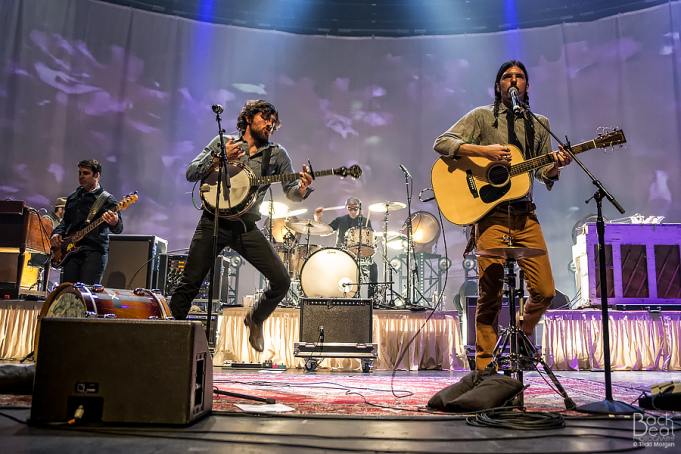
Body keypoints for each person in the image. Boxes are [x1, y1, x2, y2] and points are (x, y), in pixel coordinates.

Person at [433, 60, 572, 371]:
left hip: (525, 215)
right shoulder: (482, 117)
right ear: (498, 86)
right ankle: (484, 370)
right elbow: (442, 143)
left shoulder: (539, 122)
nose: (513, 81)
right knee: (490, 295)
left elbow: (542, 171)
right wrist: (485, 153)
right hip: (491, 216)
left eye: (519, 77)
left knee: (545, 290)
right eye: (507, 77)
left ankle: (519, 336)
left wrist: (557, 165)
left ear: (526, 86)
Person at [170, 100, 314, 352]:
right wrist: (219, 158)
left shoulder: (277, 154)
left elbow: (291, 193)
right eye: (264, 117)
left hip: (246, 227)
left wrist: (301, 189)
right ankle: (166, 339)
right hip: (212, 222)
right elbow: (192, 172)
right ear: (248, 118)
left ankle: (255, 318)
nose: (269, 123)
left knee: (281, 280)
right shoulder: (223, 143)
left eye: (273, 121)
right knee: (189, 283)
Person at [50, 159, 123, 285]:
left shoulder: (107, 200)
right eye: (79, 173)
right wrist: (56, 233)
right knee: (68, 292)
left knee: (87, 294)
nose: (81, 176)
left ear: (97, 175)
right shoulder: (73, 197)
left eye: (85, 173)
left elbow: (119, 228)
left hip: (94, 252)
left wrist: (114, 222)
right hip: (71, 253)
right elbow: (66, 222)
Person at [314, 197, 378, 299]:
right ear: (347, 208)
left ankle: (372, 298)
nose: (352, 211)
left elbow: (370, 239)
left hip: (359, 255)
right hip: (342, 254)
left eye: (355, 209)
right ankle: (331, 295)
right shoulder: (340, 220)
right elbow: (324, 232)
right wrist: (317, 218)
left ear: (359, 208)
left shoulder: (366, 221)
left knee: (373, 266)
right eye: (350, 209)